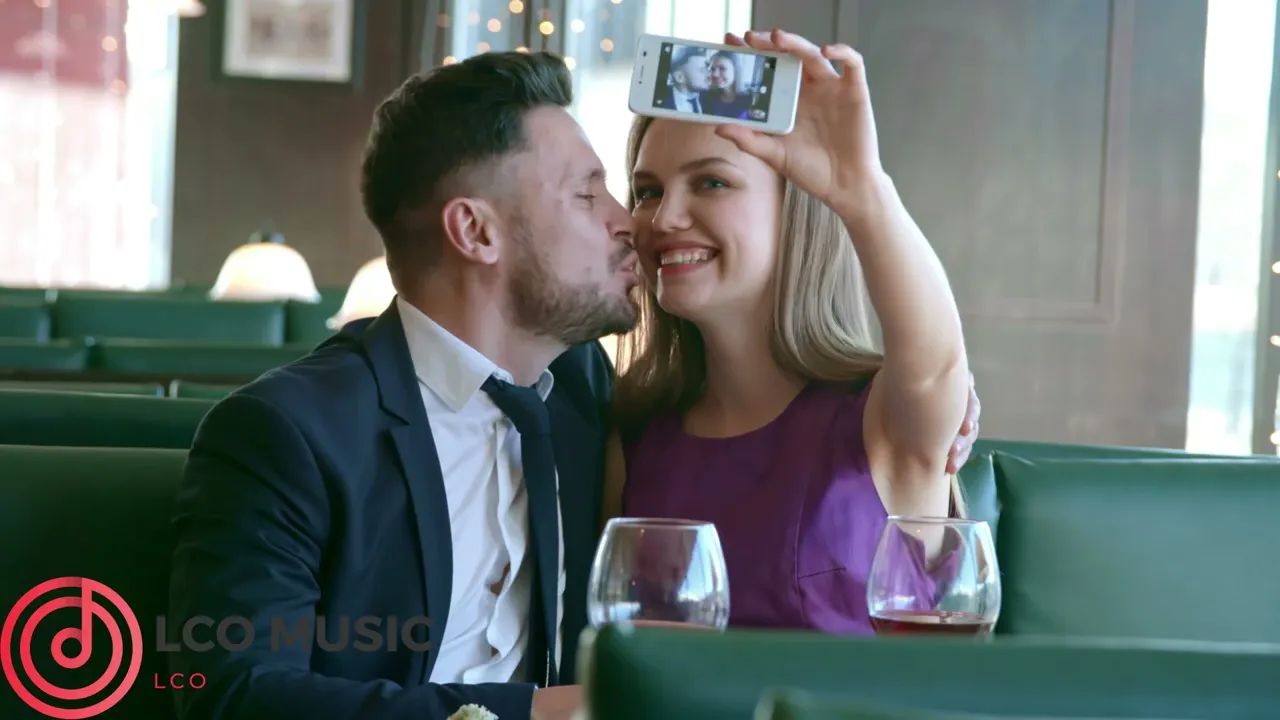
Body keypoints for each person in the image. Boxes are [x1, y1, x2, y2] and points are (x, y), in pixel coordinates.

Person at [167, 51, 634, 720]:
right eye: (587, 195)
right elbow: (234, 695)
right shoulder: (286, 432)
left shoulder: (581, 387)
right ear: (475, 231)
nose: (626, 221)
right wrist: (533, 712)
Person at [606, 30, 980, 634]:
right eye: (648, 191)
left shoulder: (881, 418)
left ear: (799, 207)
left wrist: (861, 187)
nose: (663, 218)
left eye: (711, 182)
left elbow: (937, 366)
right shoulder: (634, 431)